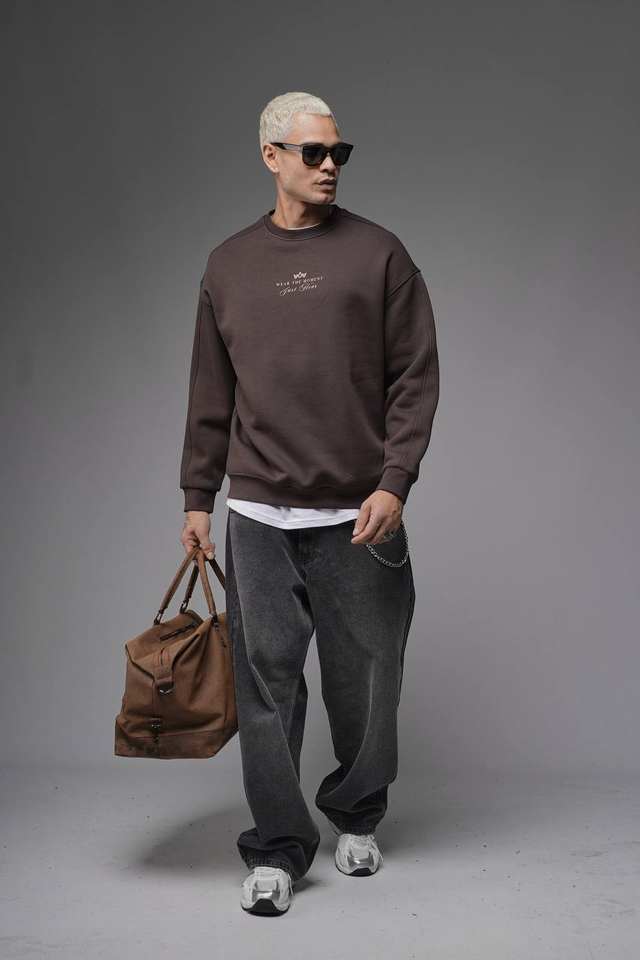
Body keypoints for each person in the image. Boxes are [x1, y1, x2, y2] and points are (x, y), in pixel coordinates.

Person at [179, 91, 440, 916]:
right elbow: (210, 393)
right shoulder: (227, 265)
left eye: (339, 153)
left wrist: (394, 480)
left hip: (360, 512)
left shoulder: (380, 255)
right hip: (258, 514)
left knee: (367, 680)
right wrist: (197, 496)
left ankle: (356, 813)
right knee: (265, 687)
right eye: (313, 152)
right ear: (271, 156)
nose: (330, 166)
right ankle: (278, 848)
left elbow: (415, 378)